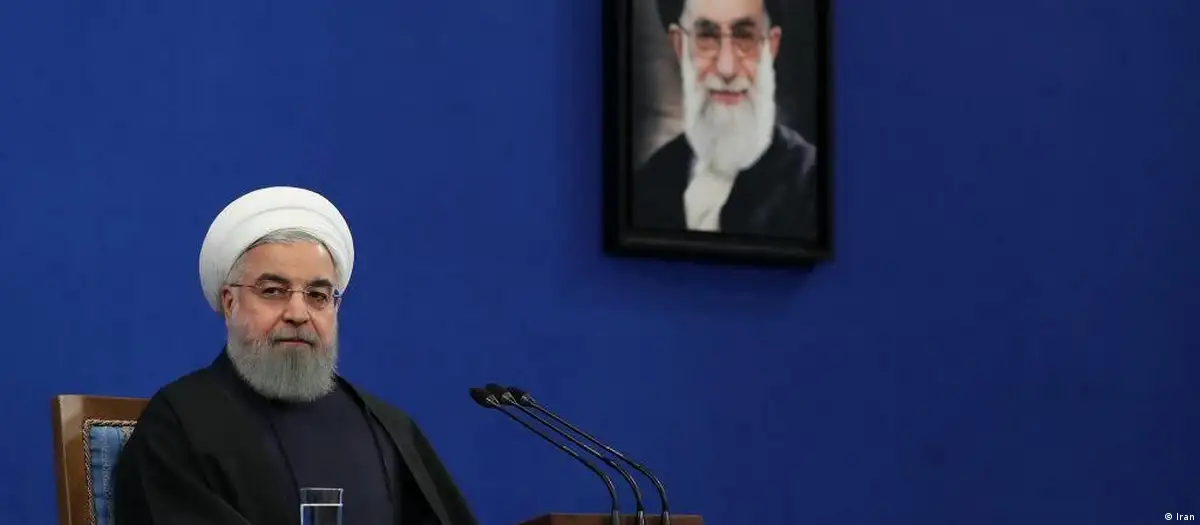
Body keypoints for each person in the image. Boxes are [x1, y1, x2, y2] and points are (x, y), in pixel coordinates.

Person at [113, 186, 478, 525]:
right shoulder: (177, 425)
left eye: (318, 296)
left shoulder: (386, 427)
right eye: (273, 291)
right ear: (230, 303)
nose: (298, 313)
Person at [634, 0, 819, 240]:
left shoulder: (812, 185)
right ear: (679, 45)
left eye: (744, 37)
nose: (726, 68)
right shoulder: (648, 184)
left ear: (771, 46)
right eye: (706, 37)